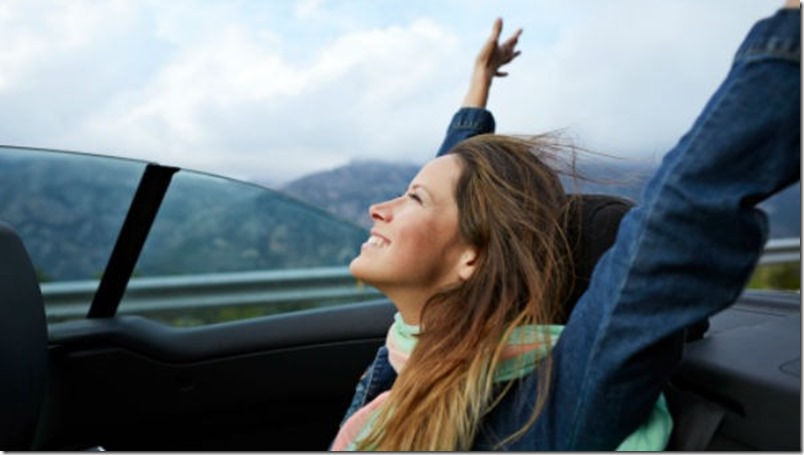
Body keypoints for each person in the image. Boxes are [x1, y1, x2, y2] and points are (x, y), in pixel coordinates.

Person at [332, 2, 800, 451]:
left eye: (412, 197)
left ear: (470, 258)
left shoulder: (533, 419)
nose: (377, 207)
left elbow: (672, 227)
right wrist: (481, 82)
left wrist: (790, 34)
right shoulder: (414, 350)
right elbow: (457, 190)